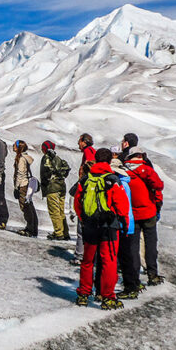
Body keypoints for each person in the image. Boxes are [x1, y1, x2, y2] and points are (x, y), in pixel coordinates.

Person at [74, 148, 130, 310]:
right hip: (108, 226)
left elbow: (78, 203)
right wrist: (123, 223)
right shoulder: (112, 179)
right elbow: (122, 205)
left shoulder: (86, 179)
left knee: (87, 261)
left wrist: (85, 219)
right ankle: (107, 297)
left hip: (90, 225)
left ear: (96, 159)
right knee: (108, 261)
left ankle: (83, 294)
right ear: (109, 161)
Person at [122, 146, 165, 293]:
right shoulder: (147, 170)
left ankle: (134, 277)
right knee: (150, 244)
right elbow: (159, 186)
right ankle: (152, 273)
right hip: (148, 211)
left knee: (133, 247)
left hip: (132, 214)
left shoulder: (124, 172)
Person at [71, 133, 97, 264]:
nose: (78, 144)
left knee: (82, 228)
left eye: (79, 141)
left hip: (87, 189)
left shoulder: (88, 152)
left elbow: (88, 166)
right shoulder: (92, 150)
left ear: (84, 142)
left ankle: (80, 256)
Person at [40, 140, 71, 240]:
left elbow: (45, 173)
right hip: (62, 186)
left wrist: (44, 186)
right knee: (61, 211)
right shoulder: (57, 158)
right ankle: (65, 232)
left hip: (52, 187)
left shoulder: (46, 158)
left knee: (54, 211)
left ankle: (58, 233)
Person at [13, 140, 38, 237]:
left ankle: (30, 229)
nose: (13, 146)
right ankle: (33, 228)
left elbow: (20, 174)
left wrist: (16, 187)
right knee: (29, 206)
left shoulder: (21, 159)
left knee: (25, 207)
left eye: (15, 145)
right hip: (26, 185)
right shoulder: (25, 158)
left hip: (22, 185)